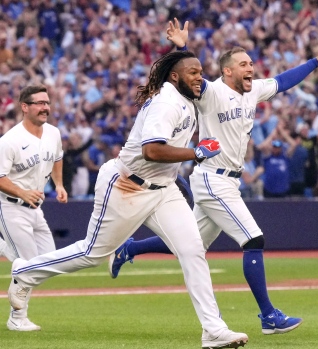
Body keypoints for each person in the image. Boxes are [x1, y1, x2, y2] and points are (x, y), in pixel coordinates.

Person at [108, 19, 318, 335]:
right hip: (212, 178)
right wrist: (182, 46)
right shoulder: (212, 92)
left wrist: (316, 62)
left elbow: (284, 81)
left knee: (189, 243)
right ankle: (268, 316)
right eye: (243, 64)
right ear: (227, 71)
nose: (250, 68)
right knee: (253, 239)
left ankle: (129, 249)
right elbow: (190, 75)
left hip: (228, 179)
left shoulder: (253, 90)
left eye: (251, 63)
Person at [8, 51, 249, 349]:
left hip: (163, 189)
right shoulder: (166, 102)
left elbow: (170, 145)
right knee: (92, 254)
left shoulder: (185, 96)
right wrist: (195, 153)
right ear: (175, 77)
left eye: (201, 71)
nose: (200, 77)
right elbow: (152, 151)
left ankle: (213, 330)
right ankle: (24, 271)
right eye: (193, 72)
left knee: (193, 251)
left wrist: (180, 46)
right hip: (126, 184)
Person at [0, 85, 67, 332]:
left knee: (49, 261)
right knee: (27, 265)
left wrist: (59, 184)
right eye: (39, 103)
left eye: (47, 102)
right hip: (11, 207)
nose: (45, 107)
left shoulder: (53, 133)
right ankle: (17, 319)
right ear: (24, 107)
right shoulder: (10, 141)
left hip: (35, 208)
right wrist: (22, 192)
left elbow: (58, 158)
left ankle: (3, 246)